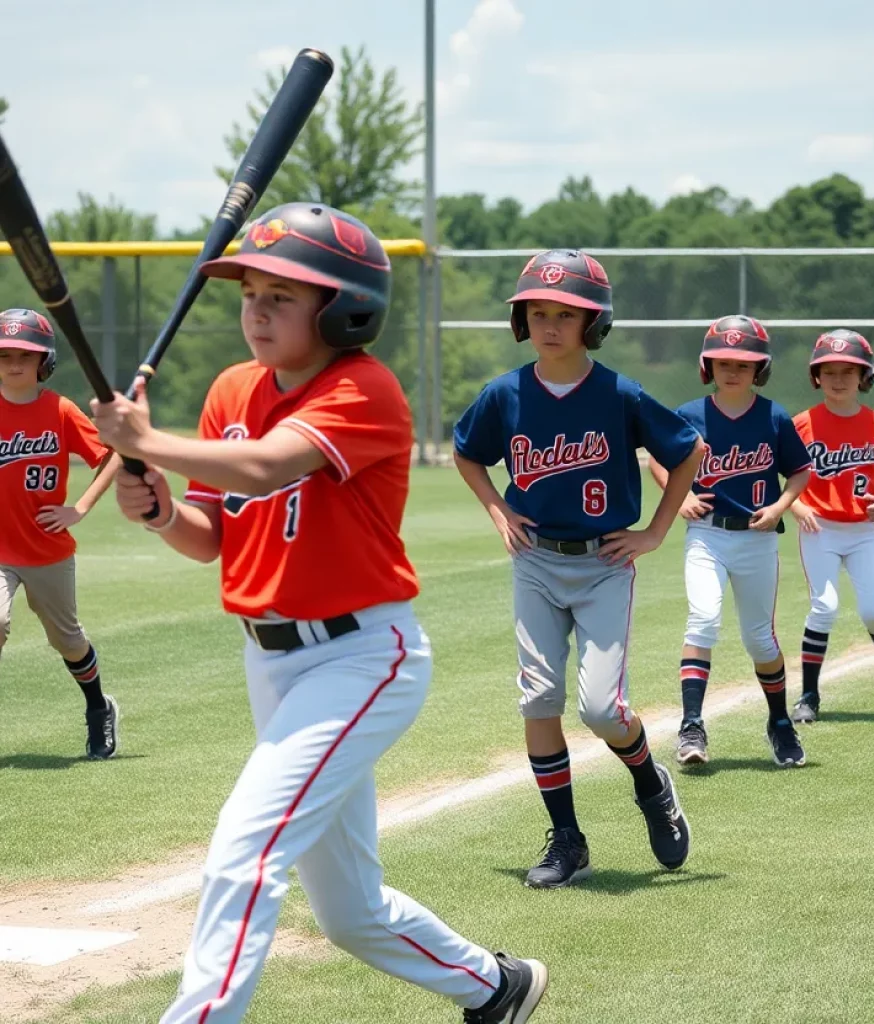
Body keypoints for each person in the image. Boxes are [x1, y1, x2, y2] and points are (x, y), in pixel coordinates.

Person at [92, 203, 546, 1024]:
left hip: (362, 659)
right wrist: (158, 510)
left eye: (283, 295)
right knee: (348, 910)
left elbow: (267, 468)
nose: (256, 310)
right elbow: (210, 541)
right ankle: (497, 987)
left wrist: (148, 441)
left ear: (344, 310)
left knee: (244, 851)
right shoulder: (232, 389)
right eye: (251, 292)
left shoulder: (362, 389)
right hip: (272, 661)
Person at [453, 249, 703, 890]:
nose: (550, 324)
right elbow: (468, 453)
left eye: (567, 313)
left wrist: (654, 531)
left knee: (600, 709)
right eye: (538, 311)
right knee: (538, 699)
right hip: (535, 560)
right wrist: (495, 509)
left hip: (603, 564)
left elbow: (690, 450)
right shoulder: (505, 394)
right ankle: (567, 839)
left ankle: (651, 783)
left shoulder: (618, 392)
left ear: (593, 322)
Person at [649, 315, 811, 769]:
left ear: (760, 368)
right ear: (708, 366)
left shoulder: (774, 416)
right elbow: (659, 463)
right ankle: (692, 725)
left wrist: (780, 507)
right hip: (707, 535)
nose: (732, 369)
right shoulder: (690, 415)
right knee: (702, 619)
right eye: (723, 361)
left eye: (743, 362)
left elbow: (799, 470)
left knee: (760, 639)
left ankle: (779, 722)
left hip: (757, 538)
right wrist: (677, 497)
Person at [0, 308, 118, 759]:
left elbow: (113, 457)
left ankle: (98, 708)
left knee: (67, 639)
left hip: (47, 548)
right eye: (6, 355)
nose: (14, 364)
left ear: (43, 362)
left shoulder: (61, 411)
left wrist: (80, 507)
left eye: (25, 356)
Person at [789, 330, 874, 721]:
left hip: (863, 530)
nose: (839, 379)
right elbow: (785, 479)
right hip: (819, 529)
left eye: (849, 371)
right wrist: (795, 507)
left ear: (865, 376)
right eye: (829, 371)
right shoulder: (802, 424)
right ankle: (809, 695)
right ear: (816, 376)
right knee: (824, 607)